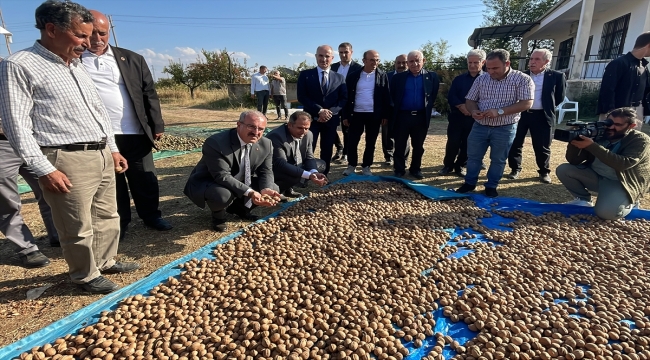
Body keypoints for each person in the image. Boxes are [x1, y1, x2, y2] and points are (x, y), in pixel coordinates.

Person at [0, 0, 139, 294]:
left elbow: (98, 112)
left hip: (99, 152)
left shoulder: (76, 65)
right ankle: (85, 275)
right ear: (51, 29)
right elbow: (17, 124)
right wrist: (44, 168)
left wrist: (112, 148)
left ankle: (105, 260)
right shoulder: (19, 65)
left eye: (90, 35)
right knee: (76, 224)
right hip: (64, 156)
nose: (88, 43)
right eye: (80, 35)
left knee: (107, 215)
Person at [82, 10, 172, 240]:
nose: (97, 39)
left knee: (145, 177)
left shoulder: (131, 59)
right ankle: (120, 223)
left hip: (134, 130)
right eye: (92, 34)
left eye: (102, 33)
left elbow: (149, 93)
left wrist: (156, 124)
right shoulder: (74, 61)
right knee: (113, 182)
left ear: (109, 32)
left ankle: (151, 216)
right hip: (99, 134)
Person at [184, 111, 281, 232]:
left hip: (239, 178)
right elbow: (221, 176)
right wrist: (250, 193)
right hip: (211, 181)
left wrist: (265, 189)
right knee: (223, 195)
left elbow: (266, 171)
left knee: (273, 188)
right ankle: (218, 216)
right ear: (239, 125)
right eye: (251, 126)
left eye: (261, 129)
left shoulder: (266, 144)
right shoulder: (216, 142)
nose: (256, 132)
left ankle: (240, 209)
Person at [456, 49, 534, 198]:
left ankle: (491, 186)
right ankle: (469, 183)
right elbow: (470, 100)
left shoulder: (522, 79)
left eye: (495, 68)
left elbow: (526, 103)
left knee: (498, 159)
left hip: (505, 127)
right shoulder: (481, 79)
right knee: (473, 157)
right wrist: (473, 111)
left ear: (507, 63)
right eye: (488, 68)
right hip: (480, 125)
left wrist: (499, 111)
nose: (491, 71)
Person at [556, 107, 650, 220]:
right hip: (598, 176)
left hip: (622, 182)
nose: (610, 127)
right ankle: (583, 200)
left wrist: (592, 146)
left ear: (631, 126)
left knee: (607, 214)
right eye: (608, 122)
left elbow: (623, 164)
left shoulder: (640, 140)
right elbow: (573, 161)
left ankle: (631, 200)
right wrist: (574, 140)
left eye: (617, 125)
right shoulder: (600, 133)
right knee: (564, 170)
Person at [1, 91, 58, 268]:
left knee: (50, 188)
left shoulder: (9, 68)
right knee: (6, 200)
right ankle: (26, 248)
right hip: (2, 143)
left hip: (30, 138)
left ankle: (58, 234)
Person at [507, 49, 566, 183]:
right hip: (521, 114)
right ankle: (515, 169)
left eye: (537, 59)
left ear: (546, 61)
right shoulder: (521, 75)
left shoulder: (557, 76)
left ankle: (544, 172)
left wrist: (544, 105)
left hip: (542, 116)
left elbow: (559, 97)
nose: (532, 62)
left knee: (542, 145)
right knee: (515, 143)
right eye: (531, 59)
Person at [296, 45, 348, 175]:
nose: (323, 59)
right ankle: (306, 175)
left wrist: (329, 112)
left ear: (332, 58)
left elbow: (343, 98)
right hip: (310, 119)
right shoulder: (305, 75)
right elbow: (302, 96)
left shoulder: (339, 78)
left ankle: (324, 174)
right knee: (308, 147)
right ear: (315, 56)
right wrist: (319, 110)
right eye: (320, 55)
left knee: (327, 148)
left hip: (330, 120)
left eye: (327, 56)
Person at [389, 50, 440, 179]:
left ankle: (415, 169)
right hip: (402, 116)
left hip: (421, 117)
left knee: (418, 146)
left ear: (424, 61)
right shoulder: (398, 78)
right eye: (411, 61)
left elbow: (432, 95)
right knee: (400, 144)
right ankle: (399, 169)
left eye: (417, 60)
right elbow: (392, 96)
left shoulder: (432, 76)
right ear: (407, 63)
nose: (414, 64)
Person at [341, 50, 390, 176]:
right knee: (352, 141)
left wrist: (385, 115)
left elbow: (386, 96)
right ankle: (352, 165)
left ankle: (366, 166)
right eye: (372, 60)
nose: (375, 62)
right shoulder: (353, 75)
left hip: (374, 115)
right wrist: (345, 115)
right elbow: (346, 97)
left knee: (371, 142)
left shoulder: (382, 75)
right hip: (356, 114)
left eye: (377, 60)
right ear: (364, 61)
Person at [439, 49, 486, 177]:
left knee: (467, 143)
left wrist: (473, 110)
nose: (472, 65)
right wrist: (462, 106)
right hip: (457, 117)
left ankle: (460, 166)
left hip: (475, 118)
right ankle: (447, 166)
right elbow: (451, 96)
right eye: (469, 62)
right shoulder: (459, 79)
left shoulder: (487, 80)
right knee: (453, 142)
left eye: (475, 62)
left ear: (483, 62)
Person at [266, 111, 328, 196]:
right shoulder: (276, 136)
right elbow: (280, 164)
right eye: (300, 128)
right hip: (275, 169)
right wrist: (308, 175)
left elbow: (309, 157)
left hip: (293, 163)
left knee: (321, 164)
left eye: (306, 128)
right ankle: (278, 191)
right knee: (296, 174)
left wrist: (314, 173)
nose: (303, 132)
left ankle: (288, 189)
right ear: (290, 125)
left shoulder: (309, 134)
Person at [597, 32, 650, 127]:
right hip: (616, 112)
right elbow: (607, 90)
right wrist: (611, 114)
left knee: (633, 140)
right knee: (609, 140)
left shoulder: (644, 67)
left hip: (637, 111)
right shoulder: (618, 63)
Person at [331, 42, 363, 163]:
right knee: (331, 127)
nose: (343, 55)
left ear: (351, 52)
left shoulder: (358, 68)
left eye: (346, 52)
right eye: (341, 52)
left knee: (347, 129)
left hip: (349, 103)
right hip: (334, 103)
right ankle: (339, 147)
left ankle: (346, 153)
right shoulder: (333, 67)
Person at [384, 54, 409, 166]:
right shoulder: (387, 76)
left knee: (404, 136)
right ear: (394, 63)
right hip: (388, 111)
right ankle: (389, 157)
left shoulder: (411, 77)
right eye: (398, 63)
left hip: (404, 111)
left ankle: (404, 158)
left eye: (404, 63)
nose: (401, 65)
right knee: (387, 135)